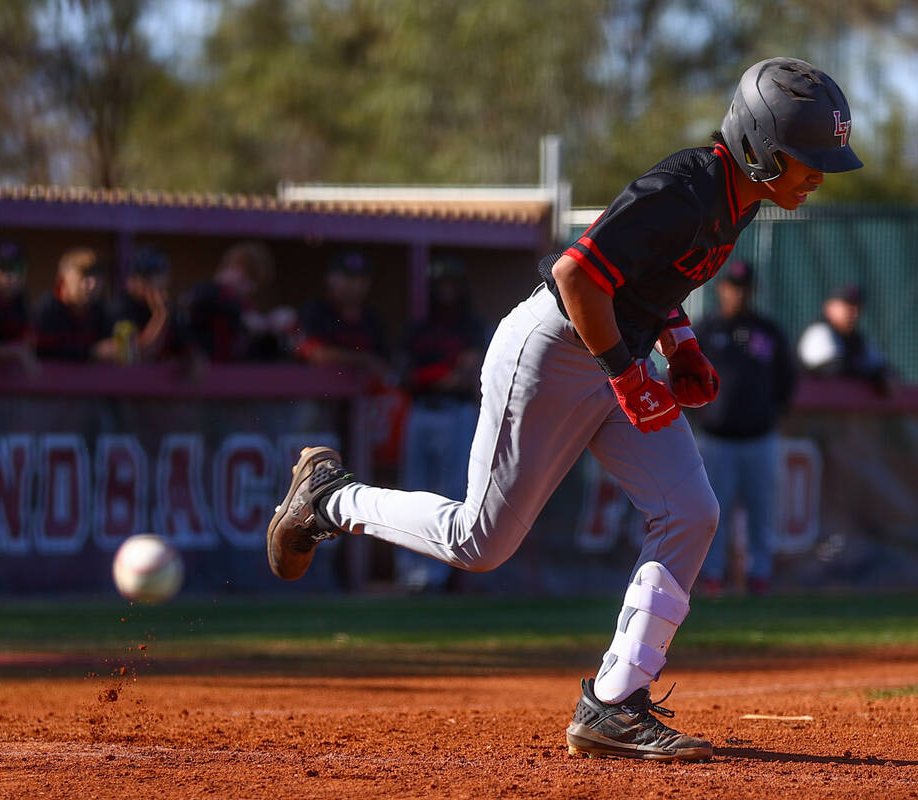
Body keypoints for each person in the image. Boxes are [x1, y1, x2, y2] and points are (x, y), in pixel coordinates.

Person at [267, 57, 862, 762]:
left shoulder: (742, 196)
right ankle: (331, 499)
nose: (818, 175)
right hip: (554, 349)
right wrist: (625, 372)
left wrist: (680, 344)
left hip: (616, 351)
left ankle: (614, 702)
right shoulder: (684, 188)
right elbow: (575, 275)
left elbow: (654, 279)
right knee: (478, 543)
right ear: (762, 148)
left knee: (692, 512)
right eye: (807, 160)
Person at [692, 260, 794, 597]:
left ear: (753, 291)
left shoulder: (768, 331)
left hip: (759, 437)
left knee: (761, 512)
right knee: (712, 513)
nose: (738, 293)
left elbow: (787, 380)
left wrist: (775, 413)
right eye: (733, 286)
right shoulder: (705, 330)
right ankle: (712, 577)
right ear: (721, 289)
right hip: (716, 438)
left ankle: (759, 576)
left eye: (744, 287)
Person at [396, 256, 488, 592]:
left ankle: (437, 575)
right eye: (440, 284)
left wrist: (436, 376)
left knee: (449, 493)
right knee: (412, 490)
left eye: (451, 284)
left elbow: (467, 373)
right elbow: (404, 375)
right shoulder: (419, 327)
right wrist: (440, 375)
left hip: (457, 412)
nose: (446, 291)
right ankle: (410, 573)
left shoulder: (471, 327)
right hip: (421, 411)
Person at [294, 250, 391, 376]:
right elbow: (312, 352)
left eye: (361, 279)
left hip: (364, 391)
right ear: (329, 278)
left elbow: (384, 364)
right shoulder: (316, 311)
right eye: (348, 277)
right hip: (317, 389)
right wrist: (363, 360)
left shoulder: (372, 318)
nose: (355, 285)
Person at [181, 241, 278, 361]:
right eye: (247, 278)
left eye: (254, 282)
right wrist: (242, 317)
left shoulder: (243, 304)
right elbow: (197, 306)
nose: (251, 287)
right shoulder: (206, 292)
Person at [797, 283, 890, 393]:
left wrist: (880, 376)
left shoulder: (857, 339)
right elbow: (831, 370)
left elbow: (883, 370)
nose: (854, 312)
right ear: (829, 307)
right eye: (848, 305)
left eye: (858, 307)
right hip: (805, 406)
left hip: (837, 407)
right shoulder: (818, 331)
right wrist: (872, 376)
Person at [33, 247, 117, 362]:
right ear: (61, 280)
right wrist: (91, 352)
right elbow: (44, 353)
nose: (92, 286)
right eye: (85, 277)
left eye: (98, 278)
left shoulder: (102, 310)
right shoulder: (48, 309)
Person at [104, 245, 180, 363]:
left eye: (162, 277)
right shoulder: (119, 308)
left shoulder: (170, 308)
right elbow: (136, 356)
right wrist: (161, 316)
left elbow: (189, 352)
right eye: (147, 278)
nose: (157, 286)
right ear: (131, 281)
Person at [0, 241, 38, 374]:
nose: (13, 276)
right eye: (6, 267)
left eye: (19, 268)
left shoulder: (21, 299)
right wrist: (14, 352)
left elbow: (27, 340)